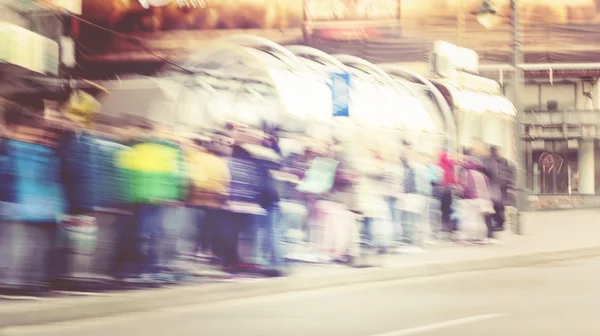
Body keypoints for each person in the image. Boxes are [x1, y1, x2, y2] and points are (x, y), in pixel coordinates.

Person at [456, 144, 494, 244]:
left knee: (468, 219)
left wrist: (459, 192)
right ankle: (479, 238)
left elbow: (463, 186)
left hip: (468, 198)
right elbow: (486, 187)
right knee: (479, 220)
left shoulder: (465, 173)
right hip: (480, 199)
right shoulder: (481, 175)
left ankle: (469, 237)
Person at [437, 147, 456, 239]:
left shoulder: (440, 163)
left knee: (442, 210)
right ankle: (448, 229)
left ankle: (445, 229)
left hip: (442, 188)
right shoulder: (450, 163)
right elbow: (452, 177)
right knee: (447, 210)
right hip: (448, 189)